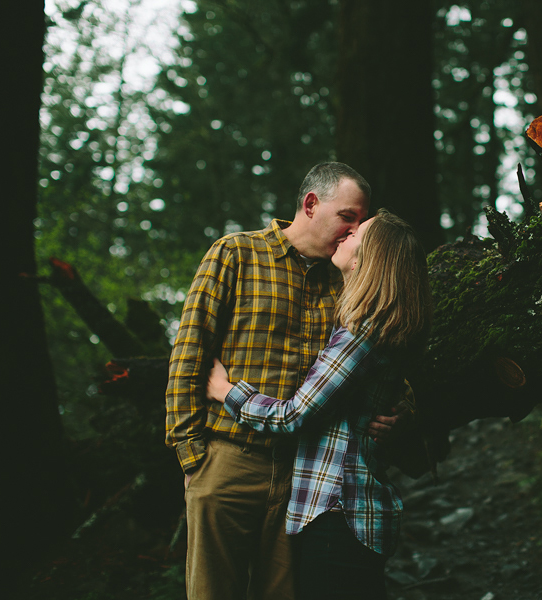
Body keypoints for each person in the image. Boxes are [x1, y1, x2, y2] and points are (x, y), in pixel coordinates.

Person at [166, 163, 403, 600]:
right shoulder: (236, 253)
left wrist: (386, 415)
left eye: (358, 222)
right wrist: (192, 457)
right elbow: (190, 352)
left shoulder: (349, 279)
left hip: (303, 475)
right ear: (311, 204)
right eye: (347, 217)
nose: (351, 231)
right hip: (227, 460)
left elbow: (367, 369)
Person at [205, 209, 433, 600]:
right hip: (348, 513)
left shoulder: (362, 333)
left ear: (368, 259)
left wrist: (225, 391)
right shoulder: (376, 326)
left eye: (357, 234)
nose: (345, 234)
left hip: (339, 515)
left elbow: (293, 415)